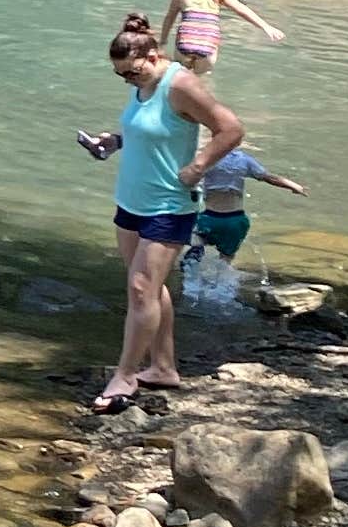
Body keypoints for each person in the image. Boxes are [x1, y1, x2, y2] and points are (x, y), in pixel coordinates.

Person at [78, 24, 242, 411]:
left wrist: (199, 165)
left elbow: (231, 129)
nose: (126, 80)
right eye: (119, 75)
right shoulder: (142, 84)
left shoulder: (180, 84)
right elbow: (151, 129)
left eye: (131, 72)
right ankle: (163, 368)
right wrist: (114, 141)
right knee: (149, 289)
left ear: (153, 56)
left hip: (169, 204)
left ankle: (125, 377)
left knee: (140, 289)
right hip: (131, 200)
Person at [193, 134, 303, 267]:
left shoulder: (205, 160)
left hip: (209, 219)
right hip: (236, 222)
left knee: (194, 244)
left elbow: (187, 180)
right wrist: (293, 185)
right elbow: (269, 178)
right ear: (238, 143)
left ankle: (191, 276)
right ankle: (221, 284)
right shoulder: (244, 160)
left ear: (214, 140)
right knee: (226, 261)